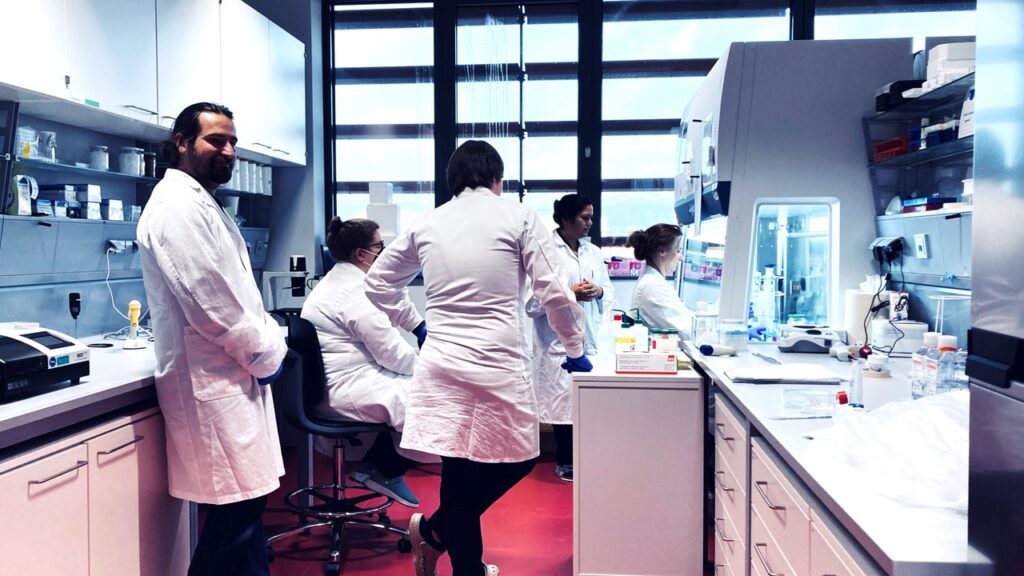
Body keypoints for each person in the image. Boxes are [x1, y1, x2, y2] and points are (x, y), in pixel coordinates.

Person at [364, 140, 590, 576]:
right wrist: (575, 350)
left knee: (457, 471)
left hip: (442, 363)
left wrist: (417, 325)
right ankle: (436, 536)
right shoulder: (517, 215)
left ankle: (443, 543)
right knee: (522, 457)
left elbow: (377, 284)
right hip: (495, 362)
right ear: (495, 178)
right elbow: (555, 294)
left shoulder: (427, 222)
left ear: (453, 180)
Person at [137, 102, 287, 576]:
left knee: (244, 518)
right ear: (181, 143)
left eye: (232, 143)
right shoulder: (176, 208)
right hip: (211, 385)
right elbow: (214, 306)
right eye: (215, 141)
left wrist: (263, 347)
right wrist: (268, 353)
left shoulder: (201, 202)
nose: (228, 151)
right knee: (233, 524)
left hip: (228, 379)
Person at [301, 217, 432, 508]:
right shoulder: (354, 291)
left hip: (342, 381)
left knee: (420, 393)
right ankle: (386, 470)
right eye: (380, 246)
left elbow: (392, 297)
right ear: (361, 254)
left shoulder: (342, 280)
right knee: (434, 401)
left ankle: (376, 467)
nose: (384, 252)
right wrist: (432, 362)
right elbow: (392, 355)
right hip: (347, 387)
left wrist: (419, 327)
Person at [528, 193, 614, 482]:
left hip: (590, 336)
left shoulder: (593, 252)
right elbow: (530, 304)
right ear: (565, 219)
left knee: (588, 401)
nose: (590, 223)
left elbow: (609, 290)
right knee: (564, 404)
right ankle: (565, 461)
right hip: (556, 342)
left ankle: (588, 458)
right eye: (584, 218)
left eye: (591, 217)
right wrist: (569, 293)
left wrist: (597, 291)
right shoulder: (544, 252)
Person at [626, 223, 693, 339]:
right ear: (662, 251)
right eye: (677, 251)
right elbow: (685, 332)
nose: (681, 257)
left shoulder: (653, 281)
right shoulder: (653, 287)